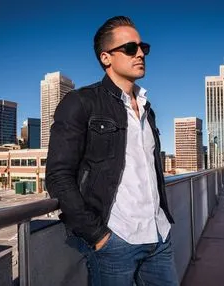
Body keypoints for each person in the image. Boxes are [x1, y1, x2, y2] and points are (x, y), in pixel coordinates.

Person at [46, 16, 178, 286]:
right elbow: (58, 175)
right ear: (106, 58)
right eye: (130, 48)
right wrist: (97, 236)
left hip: (159, 237)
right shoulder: (80, 102)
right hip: (116, 242)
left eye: (143, 47)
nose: (140, 53)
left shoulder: (146, 108)